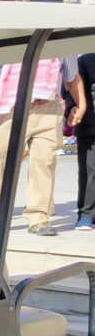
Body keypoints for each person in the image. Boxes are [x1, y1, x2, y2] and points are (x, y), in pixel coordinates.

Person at [0, 0, 86, 236]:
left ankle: (39, 218)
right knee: (2, 162)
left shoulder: (62, 39)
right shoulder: (12, 35)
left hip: (48, 109)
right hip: (11, 108)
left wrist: (81, 104)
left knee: (44, 163)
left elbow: (71, 77)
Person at [69, 53, 95, 230]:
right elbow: (73, 90)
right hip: (90, 125)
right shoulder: (84, 60)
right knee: (90, 170)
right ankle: (86, 214)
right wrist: (72, 107)